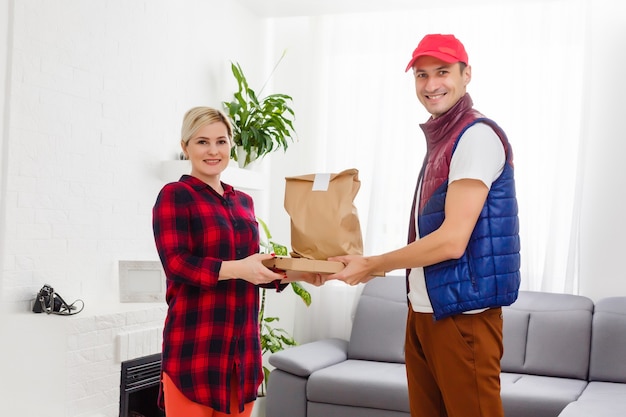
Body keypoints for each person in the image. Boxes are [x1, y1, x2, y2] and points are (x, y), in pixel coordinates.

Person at [328, 34, 521, 417]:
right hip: (424, 311)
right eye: (421, 75)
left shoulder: (476, 136)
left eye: (443, 72)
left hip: (463, 317)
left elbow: (452, 241)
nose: (431, 85)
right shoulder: (444, 139)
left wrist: (373, 264)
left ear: (467, 75)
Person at [152, 106, 322, 417]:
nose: (213, 150)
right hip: (196, 347)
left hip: (241, 350)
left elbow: (253, 268)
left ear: (232, 145)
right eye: (202, 142)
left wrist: (300, 274)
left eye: (221, 141)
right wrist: (239, 268)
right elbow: (176, 264)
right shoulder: (175, 195)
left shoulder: (243, 201)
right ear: (185, 147)